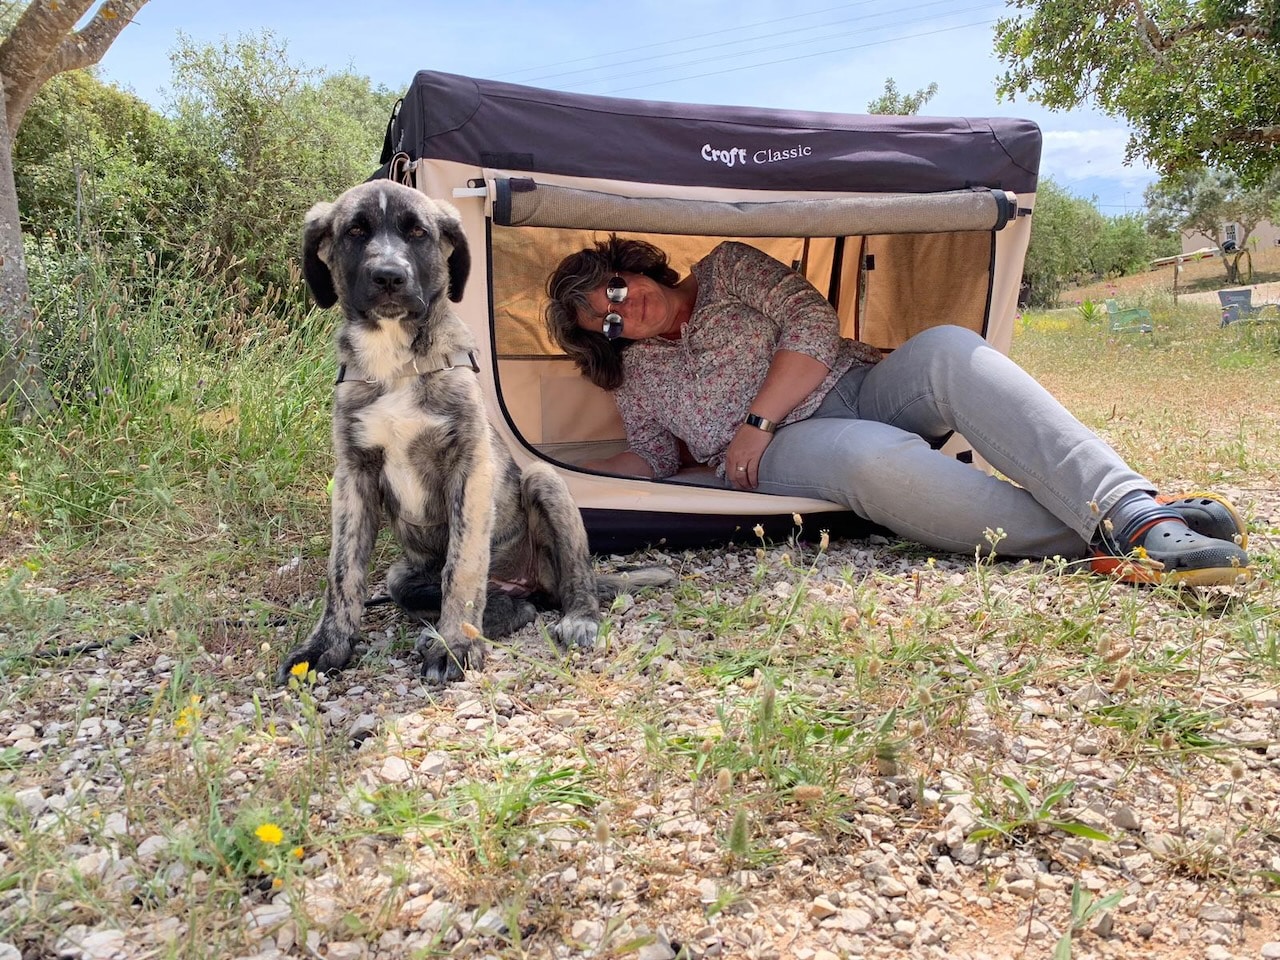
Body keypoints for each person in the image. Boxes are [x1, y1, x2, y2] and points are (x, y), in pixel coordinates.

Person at [544, 236, 1254, 586]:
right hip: (787, 449)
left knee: (947, 347)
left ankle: (1129, 508)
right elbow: (655, 459)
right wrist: (553, 476)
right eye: (604, 324)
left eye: (613, 290)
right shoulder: (636, 375)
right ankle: (1125, 534)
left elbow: (812, 323)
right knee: (864, 457)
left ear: (629, 266)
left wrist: (754, 415)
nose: (621, 311)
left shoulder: (725, 266)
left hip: (853, 383)